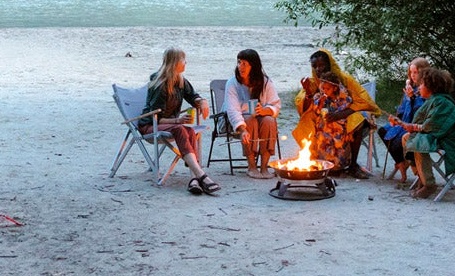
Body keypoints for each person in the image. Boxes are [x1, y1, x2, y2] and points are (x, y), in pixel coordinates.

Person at [139, 47, 220, 195]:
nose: (186, 62)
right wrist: (178, 120)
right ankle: (201, 175)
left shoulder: (181, 81)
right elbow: (156, 117)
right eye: (184, 60)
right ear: (175, 62)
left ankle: (194, 180)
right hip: (150, 126)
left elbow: (193, 96)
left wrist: (202, 102)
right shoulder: (161, 85)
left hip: (170, 125)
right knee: (180, 129)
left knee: (189, 131)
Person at [293, 49, 382, 179]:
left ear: (329, 64)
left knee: (357, 120)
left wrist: (340, 115)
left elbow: (362, 101)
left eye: (321, 65)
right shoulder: (313, 82)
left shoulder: (344, 79)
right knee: (306, 122)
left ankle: (352, 166)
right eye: (315, 66)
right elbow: (304, 107)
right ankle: (316, 161)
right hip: (323, 119)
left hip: (345, 114)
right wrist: (308, 92)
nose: (318, 69)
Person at [401, 67, 455, 199]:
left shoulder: (442, 102)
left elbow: (432, 126)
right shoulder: (433, 100)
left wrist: (413, 127)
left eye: (421, 84)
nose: (419, 87)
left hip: (451, 140)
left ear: (430, 86)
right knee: (406, 137)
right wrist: (407, 126)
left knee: (419, 141)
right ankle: (421, 176)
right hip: (440, 136)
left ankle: (429, 184)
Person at [224, 49, 281, 179]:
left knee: (269, 120)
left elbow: (275, 105)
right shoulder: (232, 83)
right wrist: (242, 130)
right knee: (250, 119)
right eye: (239, 62)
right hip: (237, 122)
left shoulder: (265, 82)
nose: (240, 67)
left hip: (261, 120)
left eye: (245, 64)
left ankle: (264, 167)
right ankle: (252, 166)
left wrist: (265, 110)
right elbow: (233, 110)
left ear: (253, 66)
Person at [378, 57, 430, 183]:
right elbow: (402, 109)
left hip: (415, 125)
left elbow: (422, 110)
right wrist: (396, 119)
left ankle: (410, 166)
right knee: (383, 131)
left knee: (397, 143)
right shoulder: (410, 88)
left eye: (416, 72)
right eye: (411, 72)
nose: (412, 75)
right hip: (404, 122)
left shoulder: (426, 88)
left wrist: (412, 97)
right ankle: (401, 163)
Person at [297, 70, 358, 171]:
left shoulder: (343, 97)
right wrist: (320, 104)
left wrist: (335, 115)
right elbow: (316, 111)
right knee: (321, 135)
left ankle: (337, 164)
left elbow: (345, 109)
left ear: (335, 88)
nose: (325, 91)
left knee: (338, 139)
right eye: (323, 88)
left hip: (338, 125)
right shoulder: (320, 96)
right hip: (324, 126)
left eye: (328, 89)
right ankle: (324, 163)